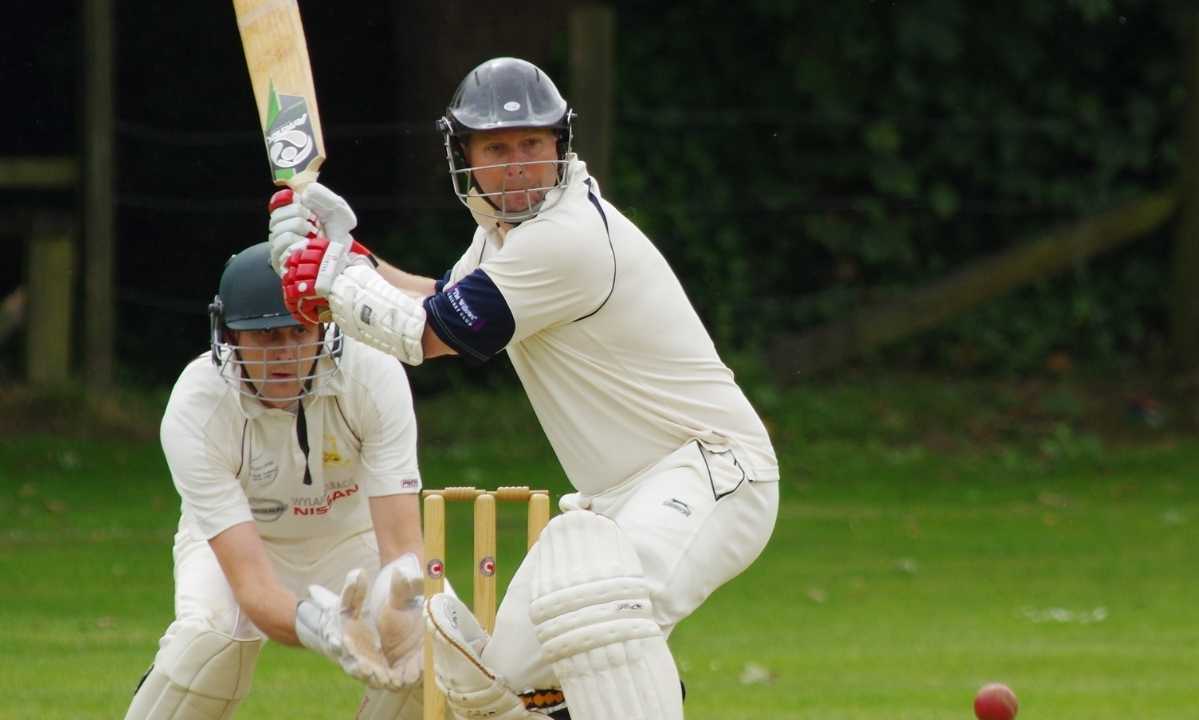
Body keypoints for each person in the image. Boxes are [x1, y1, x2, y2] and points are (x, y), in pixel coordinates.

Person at [268, 56, 780, 720]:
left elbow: (426, 335)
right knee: (510, 685)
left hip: (707, 471)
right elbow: (439, 300)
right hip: (616, 498)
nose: (516, 163)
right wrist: (350, 258)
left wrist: (330, 277)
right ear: (466, 156)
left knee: (600, 616)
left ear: (559, 148)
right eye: (498, 148)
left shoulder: (567, 239)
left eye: (532, 145)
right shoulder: (502, 240)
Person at [124, 242, 434, 720]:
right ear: (227, 335)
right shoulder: (197, 407)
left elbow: (402, 547)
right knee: (209, 644)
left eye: (298, 330)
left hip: (351, 540)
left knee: (434, 646)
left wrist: (402, 611)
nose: (286, 353)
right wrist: (323, 627)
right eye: (266, 336)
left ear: (324, 325)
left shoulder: (370, 373)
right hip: (242, 542)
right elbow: (252, 588)